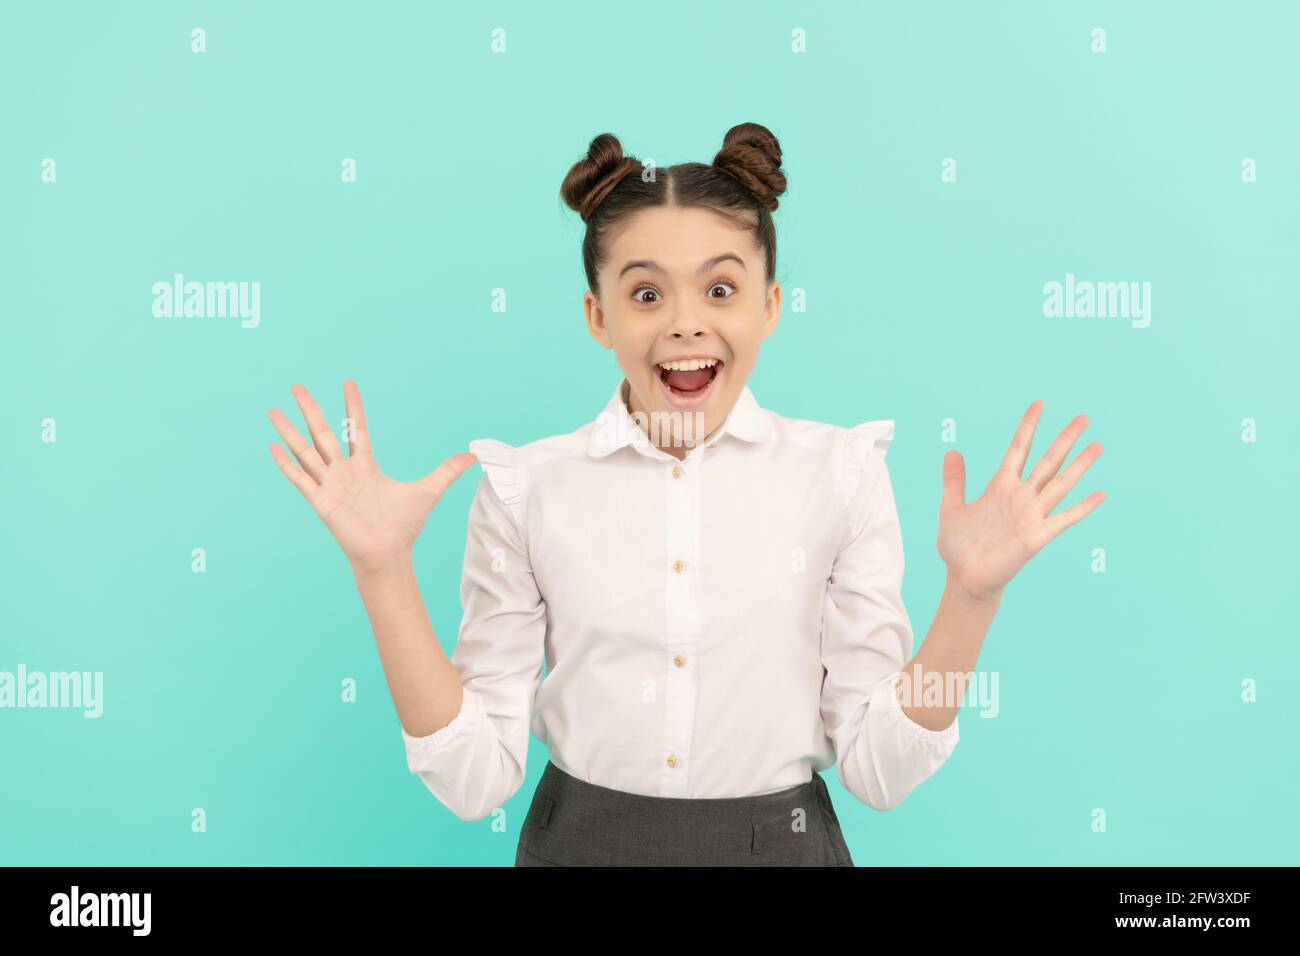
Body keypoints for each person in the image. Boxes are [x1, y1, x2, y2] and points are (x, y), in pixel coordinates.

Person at [266, 122, 1106, 866]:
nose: (684, 323)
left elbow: (879, 770)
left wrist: (971, 598)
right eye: (644, 293)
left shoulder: (840, 475)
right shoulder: (527, 490)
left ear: (769, 306)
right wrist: (381, 571)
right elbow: (473, 778)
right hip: (577, 847)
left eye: (719, 288)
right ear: (598, 317)